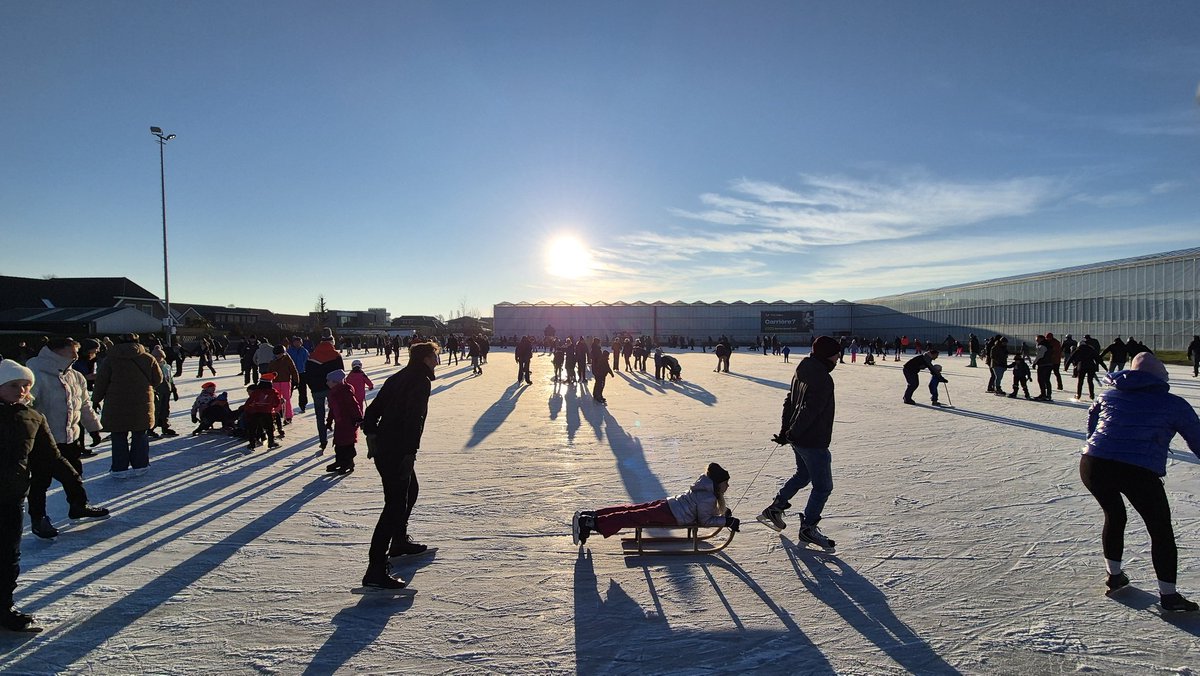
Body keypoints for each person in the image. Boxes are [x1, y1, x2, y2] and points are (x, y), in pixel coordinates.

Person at [1078, 352, 1200, 612]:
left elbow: (1091, 424)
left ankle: (1114, 577)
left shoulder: (1107, 394)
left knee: (1114, 515)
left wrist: (1102, 448)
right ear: (1159, 377)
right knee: (1160, 530)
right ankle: (1169, 596)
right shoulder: (1173, 403)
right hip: (1137, 471)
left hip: (1093, 464)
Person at [1, 360, 109, 631]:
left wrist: (74, 481)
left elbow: (50, 456)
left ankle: (3, 608)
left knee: (7, 556)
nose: (21, 390)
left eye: (26, 385)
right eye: (13, 385)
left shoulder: (33, 418)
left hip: (10, 499)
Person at [360, 341, 439, 589]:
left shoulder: (399, 377)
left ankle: (398, 542)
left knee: (410, 491)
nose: (438, 360)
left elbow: (371, 413)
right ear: (426, 358)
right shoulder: (419, 381)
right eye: (435, 356)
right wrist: (408, 452)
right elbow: (413, 418)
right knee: (394, 505)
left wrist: (374, 436)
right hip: (396, 450)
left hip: (388, 447)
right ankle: (375, 568)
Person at [757, 335, 840, 550]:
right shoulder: (822, 377)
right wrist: (792, 432)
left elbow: (790, 401)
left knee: (803, 475)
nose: (838, 357)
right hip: (812, 440)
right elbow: (809, 410)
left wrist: (787, 431)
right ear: (826, 355)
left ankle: (775, 508)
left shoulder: (803, 368)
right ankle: (808, 528)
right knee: (823, 487)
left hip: (800, 438)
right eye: (835, 354)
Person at [24, 338, 109, 538]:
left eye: (76, 352)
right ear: (55, 352)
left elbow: (84, 404)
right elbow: (25, 405)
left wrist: (94, 428)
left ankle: (78, 506)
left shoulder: (75, 376)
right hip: (43, 441)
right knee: (41, 481)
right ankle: (39, 518)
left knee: (75, 475)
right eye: (71, 352)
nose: (76, 356)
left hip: (70, 438)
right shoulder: (35, 374)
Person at [572, 463, 738, 544]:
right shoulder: (709, 497)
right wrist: (726, 521)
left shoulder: (704, 488)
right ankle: (590, 522)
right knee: (633, 517)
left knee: (634, 510)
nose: (728, 486)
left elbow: (703, 511)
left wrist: (722, 515)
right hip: (672, 515)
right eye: (726, 483)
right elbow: (704, 520)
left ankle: (596, 515)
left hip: (669, 504)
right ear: (718, 483)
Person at [93, 334, 162, 477]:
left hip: (115, 402)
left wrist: (95, 400)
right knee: (140, 434)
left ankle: (119, 468)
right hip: (142, 402)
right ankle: (141, 465)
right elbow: (158, 379)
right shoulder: (147, 358)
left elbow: (101, 382)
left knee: (118, 435)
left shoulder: (110, 360)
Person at [305, 329, 345, 453]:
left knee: (319, 416)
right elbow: (341, 374)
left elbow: (308, 375)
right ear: (332, 341)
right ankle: (339, 439)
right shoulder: (336, 356)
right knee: (338, 413)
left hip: (317, 390)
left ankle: (323, 440)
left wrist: (312, 387)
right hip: (333, 389)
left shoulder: (312, 356)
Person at [324, 369, 361, 475]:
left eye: (329, 381)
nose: (327, 383)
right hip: (340, 422)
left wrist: (358, 418)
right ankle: (340, 461)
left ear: (336, 382)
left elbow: (354, 405)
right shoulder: (334, 392)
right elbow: (332, 409)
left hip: (349, 421)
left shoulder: (345, 391)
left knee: (347, 444)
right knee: (339, 443)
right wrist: (329, 421)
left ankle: (348, 463)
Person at [244, 373, 282, 451]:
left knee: (253, 428)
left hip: (254, 413)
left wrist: (248, 411)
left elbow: (249, 402)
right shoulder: (273, 392)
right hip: (267, 413)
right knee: (269, 428)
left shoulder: (256, 392)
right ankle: (271, 442)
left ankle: (252, 444)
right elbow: (276, 403)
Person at [267, 345, 300, 426]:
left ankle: (288, 416)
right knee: (276, 399)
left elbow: (293, 369)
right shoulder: (272, 360)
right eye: (277, 354)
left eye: (280, 354)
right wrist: (267, 380)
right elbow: (269, 371)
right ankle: (276, 414)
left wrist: (296, 380)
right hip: (275, 382)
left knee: (286, 399)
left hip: (286, 381)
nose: (278, 356)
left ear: (283, 353)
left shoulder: (288, 359)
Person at [286, 337, 310, 414]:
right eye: (296, 342)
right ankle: (286, 405)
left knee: (302, 390)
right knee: (289, 390)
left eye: (298, 342)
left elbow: (307, 361)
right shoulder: (289, 351)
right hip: (291, 373)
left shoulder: (304, 351)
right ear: (293, 343)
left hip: (302, 372)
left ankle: (303, 405)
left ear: (301, 343)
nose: (297, 344)